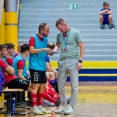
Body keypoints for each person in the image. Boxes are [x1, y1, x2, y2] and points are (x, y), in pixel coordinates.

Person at [55, 19, 85, 114]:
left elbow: (82, 47)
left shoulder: (75, 32)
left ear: (65, 24)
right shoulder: (59, 35)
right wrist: (53, 51)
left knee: (74, 85)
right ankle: (63, 105)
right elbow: (57, 47)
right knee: (60, 84)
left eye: (61, 29)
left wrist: (80, 61)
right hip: (62, 61)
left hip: (73, 61)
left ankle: (71, 106)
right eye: (59, 29)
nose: (60, 31)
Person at [29, 23, 51, 114]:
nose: (48, 32)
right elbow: (31, 50)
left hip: (42, 67)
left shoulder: (45, 39)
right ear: (42, 30)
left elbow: (44, 53)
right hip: (35, 66)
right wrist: (43, 49)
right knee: (36, 86)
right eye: (47, 30)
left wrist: (51, 51)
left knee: (42, 87)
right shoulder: (33, 38)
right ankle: (34, 107)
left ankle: (40, 106)